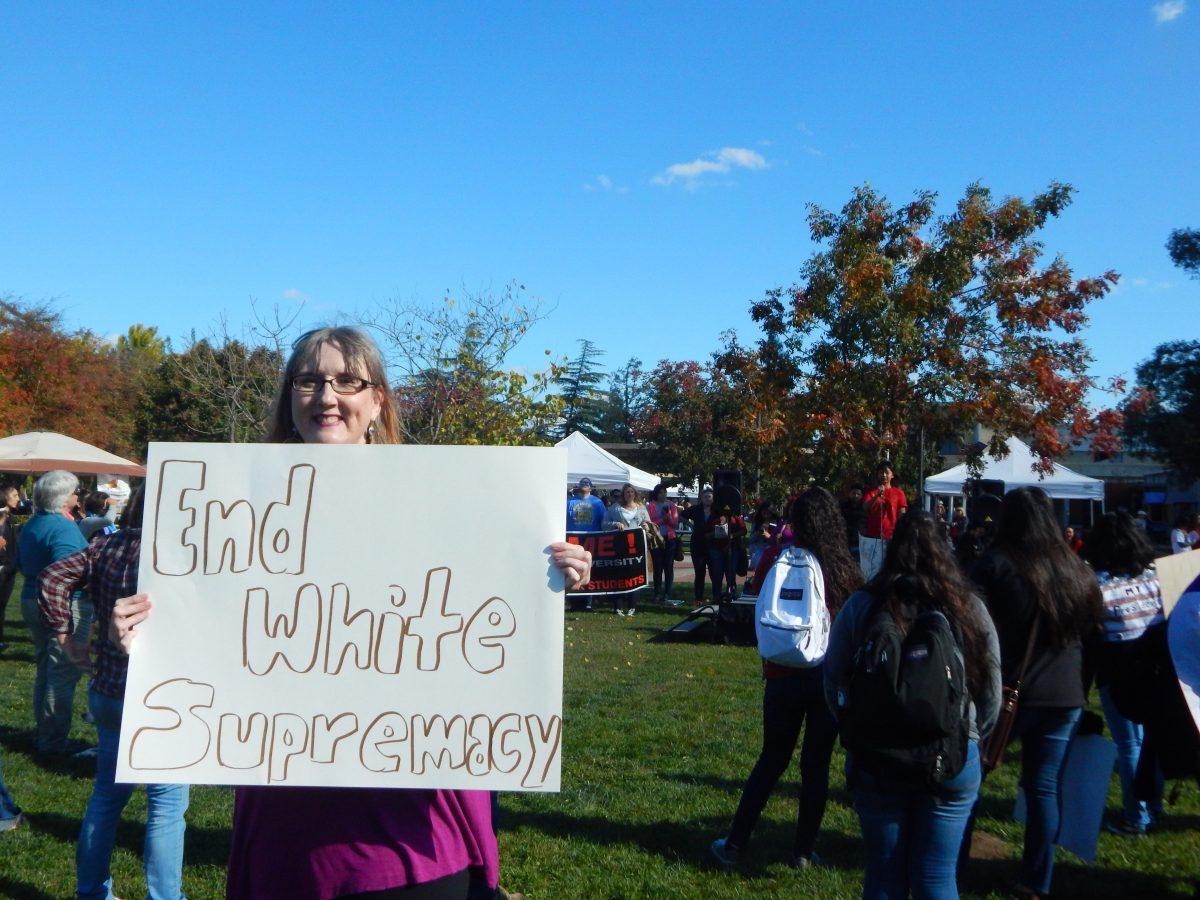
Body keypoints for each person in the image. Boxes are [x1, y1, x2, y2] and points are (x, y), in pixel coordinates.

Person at [110, 326, 592, 900]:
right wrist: (148, 635)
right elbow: (209, 633)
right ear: (289, 399)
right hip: (289, 821)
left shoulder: (448, 499)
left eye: (347, 381)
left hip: (412, 830)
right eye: (309, 381)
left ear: (377, 400)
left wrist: (544, 575)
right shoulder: (236, 505)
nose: (327, 396)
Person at [826, 512, 1000, 900]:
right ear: (946, 549)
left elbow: (832, 678)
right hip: (952, 752)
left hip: (876, 753)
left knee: (883, 875)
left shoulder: (864, 605)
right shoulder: (968, 606)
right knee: (937, 878)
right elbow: (992, 692)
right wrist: (972, 735)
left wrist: (853, 724)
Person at [40, 485, 191, 900]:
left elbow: (52, 578)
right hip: (164, 697)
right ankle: (165, 897)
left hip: (109, 691)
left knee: (106, 798)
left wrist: (63, 636)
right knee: (165, 807)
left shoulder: (103, 548)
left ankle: (91, 892)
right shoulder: (186, 553)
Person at [961, 487, 1102, 899]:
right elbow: (1095, 638)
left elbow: (971, 628)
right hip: (1065, 695)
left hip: (1005, 694)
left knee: (970, 779)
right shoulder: (1078, 570)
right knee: (1043, 788)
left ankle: (951, 864)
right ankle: (1036, 880)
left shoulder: (995, 566)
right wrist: (1084, 691)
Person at [710, 488, 862, 869]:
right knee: (816, 766)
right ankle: (803, 851)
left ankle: (735, 842)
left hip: (781, 673)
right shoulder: (842, 566)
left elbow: (760, 597)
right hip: (825, 673)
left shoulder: (777, 557)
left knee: (771, 759)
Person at [1082, 512, 1166, 835]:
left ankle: (1136, 816)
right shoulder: (1156, 577)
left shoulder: (1097, 587)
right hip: (1157, 671)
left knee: (1129, 745)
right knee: (1152, 743)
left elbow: (1092, 636)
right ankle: (1153, 807)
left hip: (1118, 674)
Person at [17, 469, 90, 756]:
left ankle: (44, 734)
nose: (77, 496)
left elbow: (23, 563)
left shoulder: (33, 524)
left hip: (31, 598)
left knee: (45, 669)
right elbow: (65, 573)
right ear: (63, 499)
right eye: (75, 492)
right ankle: (53, 741)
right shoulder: (63, 529)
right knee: (62, 672)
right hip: (63, 604)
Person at [604, 483, 648, 616]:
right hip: (619, 545)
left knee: (636, 575)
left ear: (635, 494)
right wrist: (615, 524)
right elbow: (604, 524)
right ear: (623, 494)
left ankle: (632, 606)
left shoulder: (641, 508)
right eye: (627, 492)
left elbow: (648, 523)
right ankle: (617, 606)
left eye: (632, 492)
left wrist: (645, 525)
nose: (629, 494)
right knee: (619, 575)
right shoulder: (615, 508)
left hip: (637, 546)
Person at [859, 462, 907, 580]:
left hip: (891, 537)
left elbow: (902, 513)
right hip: (873, 539)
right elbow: (865, 507)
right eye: (881, 472)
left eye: (886, 472)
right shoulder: (871, 492)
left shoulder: (898, 493)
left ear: (892, 475)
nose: (884, 475)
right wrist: (877, 496)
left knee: (890, 570)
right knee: (872, 572)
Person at [682, 488, 717, 606]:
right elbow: (681, 515)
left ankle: (716, 597)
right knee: (699, 572)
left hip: (713, 545)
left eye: (709, 496)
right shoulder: (696, 509)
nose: (707, 499)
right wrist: (690, 524)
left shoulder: (717, 510)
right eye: (705, 496)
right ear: (701, 498)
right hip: (697, 544)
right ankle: (698, 598)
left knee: (714, 572)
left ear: (713, 498)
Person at [647, 484, 681, 605]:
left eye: (665, 492)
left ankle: (667, 592)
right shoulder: (651, 506)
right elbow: (650, 523)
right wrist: (662, 520)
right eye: (661, 493)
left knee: (668, 566)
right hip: (657, 539)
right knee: (657, 567)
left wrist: (669, 518)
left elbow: (675, 524)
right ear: (656, 494)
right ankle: (657, 593)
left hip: (670, 538)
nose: (663, 495)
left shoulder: (671, 505)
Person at [0, 484, 23, 652]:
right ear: (5, 497)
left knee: (2, 605)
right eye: (14, 495)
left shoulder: (10, 518)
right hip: (2, 566)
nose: (18, 498)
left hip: (10, 567)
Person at [745, 500, 777, 572]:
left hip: (771, 553)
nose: (765, 513)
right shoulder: (757, 522)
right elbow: (750, 541)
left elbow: (779, 541)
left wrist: (770, 537)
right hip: (758, 551)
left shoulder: (776, 523)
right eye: (764, 511)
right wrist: (756, 534)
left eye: (768, 512)